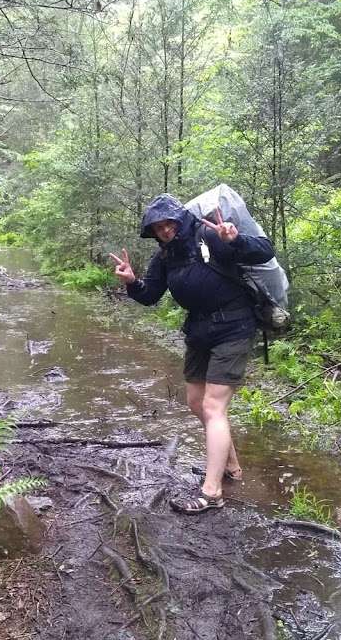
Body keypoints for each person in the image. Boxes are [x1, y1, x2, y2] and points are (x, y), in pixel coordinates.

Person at [109, 193, 275, 513]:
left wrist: (235, 239)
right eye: (158, 228)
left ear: (179, 219)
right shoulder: (165, 257)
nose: (165, 231)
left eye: (168, 223)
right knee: (196, 402)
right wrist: (132, 282)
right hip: (199, 331)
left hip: (234, 326)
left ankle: (211, 493)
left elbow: (265, 250)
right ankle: (231, 467)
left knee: (213, 406)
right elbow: (150, 296)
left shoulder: (210, 235)